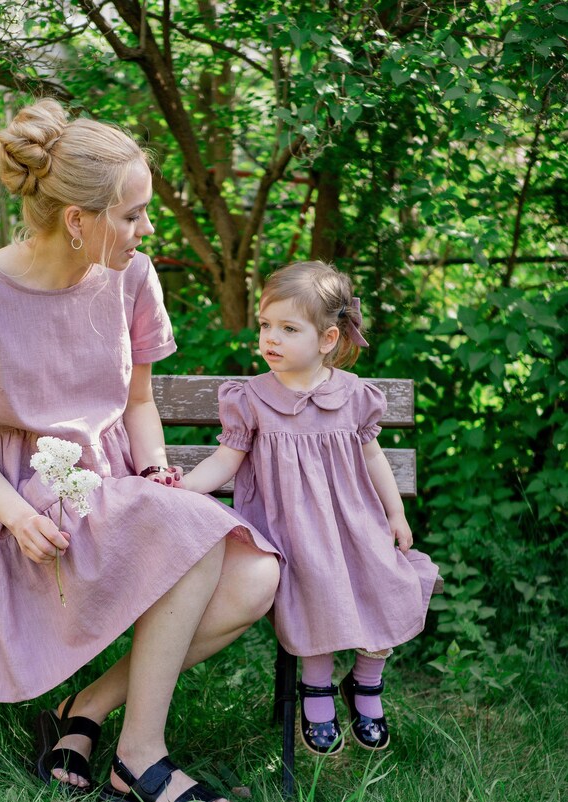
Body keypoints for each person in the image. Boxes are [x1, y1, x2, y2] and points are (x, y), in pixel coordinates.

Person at [0, 99, 280, 802]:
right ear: (78, 220)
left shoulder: (130, 277)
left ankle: (84, 711)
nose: (147, 230)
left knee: (254, 575)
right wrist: (16, 515)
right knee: (201, 540)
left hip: (113, 492)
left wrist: (157, 468)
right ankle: (140, 756)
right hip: (25, 508)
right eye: (132, 215)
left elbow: (137, 402)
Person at [182, 260, 439, 755]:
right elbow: (225, 461)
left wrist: (395, 514)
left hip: (355, 525)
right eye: (265, 326)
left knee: (389, 579)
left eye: (287, 328)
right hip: (290, 534)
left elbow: (373, 456)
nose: (270, 339)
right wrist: (185, 489)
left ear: (326, 340)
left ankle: (366, 680)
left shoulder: (355, 396)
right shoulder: (252, 398)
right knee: (313, 585)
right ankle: (316, 688)